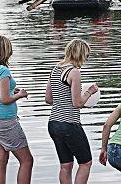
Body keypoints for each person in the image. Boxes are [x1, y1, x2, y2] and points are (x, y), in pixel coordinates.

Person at [0, 36, 33, 184]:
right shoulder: (3, 71)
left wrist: (9, 91)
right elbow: (4, 100)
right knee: (27, 161)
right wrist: (20, 95)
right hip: (6, 122)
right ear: (6, 51)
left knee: (1, 159)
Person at [45, 38, 99, 184]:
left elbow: (48, 99)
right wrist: (89, 92)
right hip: (69, 124)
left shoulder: (55, 69)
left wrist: (62, 100)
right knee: (85, 163)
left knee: (66, 165)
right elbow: (77, 104)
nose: (86, 60)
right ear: (80, 54)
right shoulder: (74, 72)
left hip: (53, 124)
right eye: (86, 56)